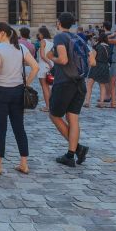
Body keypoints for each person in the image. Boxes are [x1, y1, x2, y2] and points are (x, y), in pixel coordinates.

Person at [0, 22, 37, 175]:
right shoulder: (21, 47)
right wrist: (26, 82)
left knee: (0, 128)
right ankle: (24, 163)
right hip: (18, 91)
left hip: (0, 90)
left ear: (2, 33)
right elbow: (35, 67)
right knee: (19, 127)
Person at [46, 12, 95, 168]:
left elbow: (63, 59)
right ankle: (71, 153)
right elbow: (92, 61)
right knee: (73, 118)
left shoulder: (60, 37)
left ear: (59, 23)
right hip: (80, 82)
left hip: (64, 82)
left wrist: (50, 57)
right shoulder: (79, 38)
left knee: (54, 115)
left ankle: (77, 149)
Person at [86, 33, 112, 108]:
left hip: (96, 66)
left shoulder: (97, 47)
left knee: (89, 84)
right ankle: (101, 102)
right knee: (102, 85)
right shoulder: (108, 47)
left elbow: (93, 57)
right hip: (105, 66)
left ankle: (87, 102)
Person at [35, 26, 54, 112]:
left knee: (44, 87)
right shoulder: (52, 42)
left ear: (42, 34)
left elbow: (42, 55)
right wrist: (51, 63)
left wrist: (48, 62)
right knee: (49, 87)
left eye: (39, 33)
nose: (38, 35)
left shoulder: (43, 42)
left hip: (44, 65)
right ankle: (51, 105)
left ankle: (48, 106)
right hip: (51, 65)